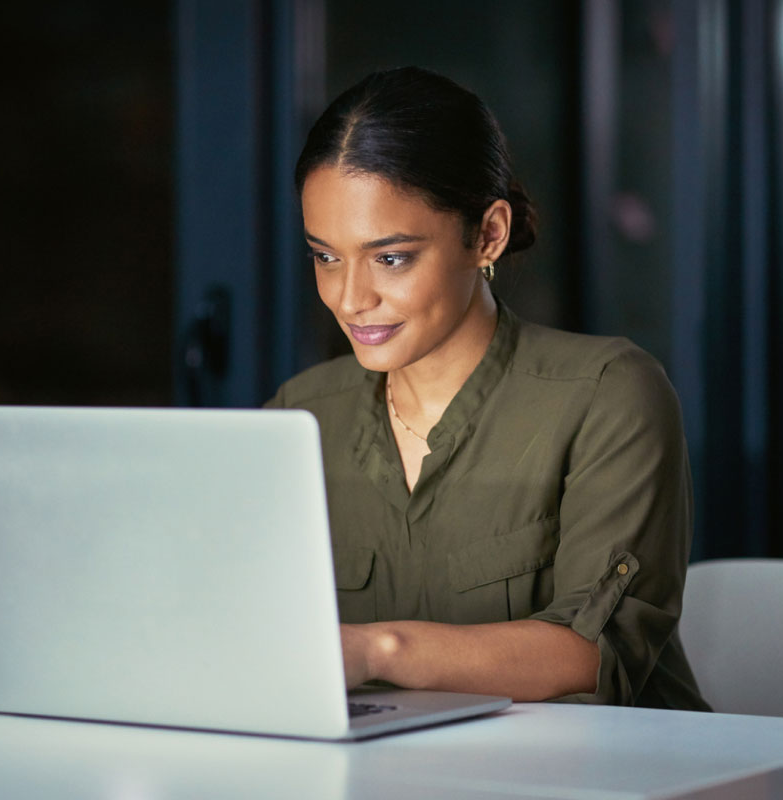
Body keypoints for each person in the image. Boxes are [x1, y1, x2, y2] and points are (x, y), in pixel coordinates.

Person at [266, 66, 709, 709]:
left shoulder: (608, 395)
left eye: (391, 257)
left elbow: (591, 656)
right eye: (326, 256)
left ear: (488, 235)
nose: (350, 298)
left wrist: (375, 651)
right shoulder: (299, 415)